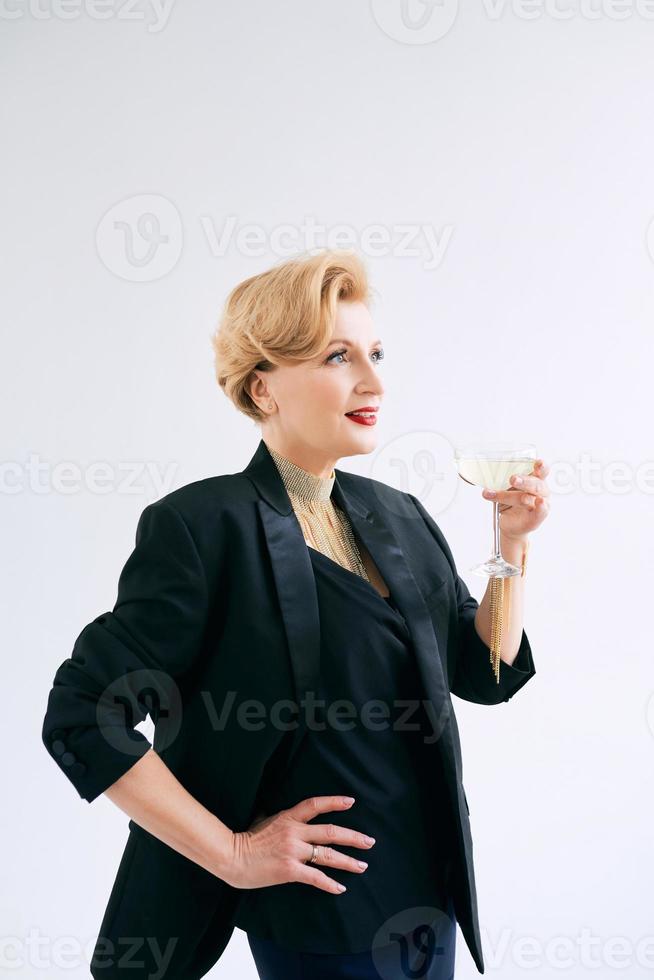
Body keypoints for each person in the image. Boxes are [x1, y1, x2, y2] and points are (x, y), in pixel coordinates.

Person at [41, 249, 549, 980]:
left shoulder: (400, 516)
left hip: (431, 892)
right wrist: (236, 853)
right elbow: (83, 713)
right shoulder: (202, 526)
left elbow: (485, 670)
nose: (373, 381)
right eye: (338, 357)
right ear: (263, 388)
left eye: (375, 353)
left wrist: (512, 547)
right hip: (320, 908)